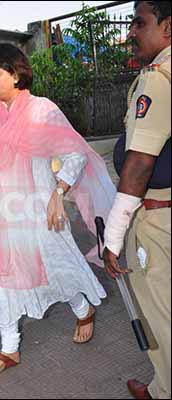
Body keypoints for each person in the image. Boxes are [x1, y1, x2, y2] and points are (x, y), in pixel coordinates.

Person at [0, 43, 116, 378]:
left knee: (56, 267)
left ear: (16, 73)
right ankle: (9, 348)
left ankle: (83, 309)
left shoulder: (42, 110)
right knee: (0, 277)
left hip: (38, 210)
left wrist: (58, 193)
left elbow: (75, 154)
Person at [103, 2, 171, 399]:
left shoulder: (158, 79)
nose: (131, 32)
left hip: (158, 219)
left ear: (167, 26)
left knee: (161, 317)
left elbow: (140, 165)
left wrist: (113, 237)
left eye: (138, 23)